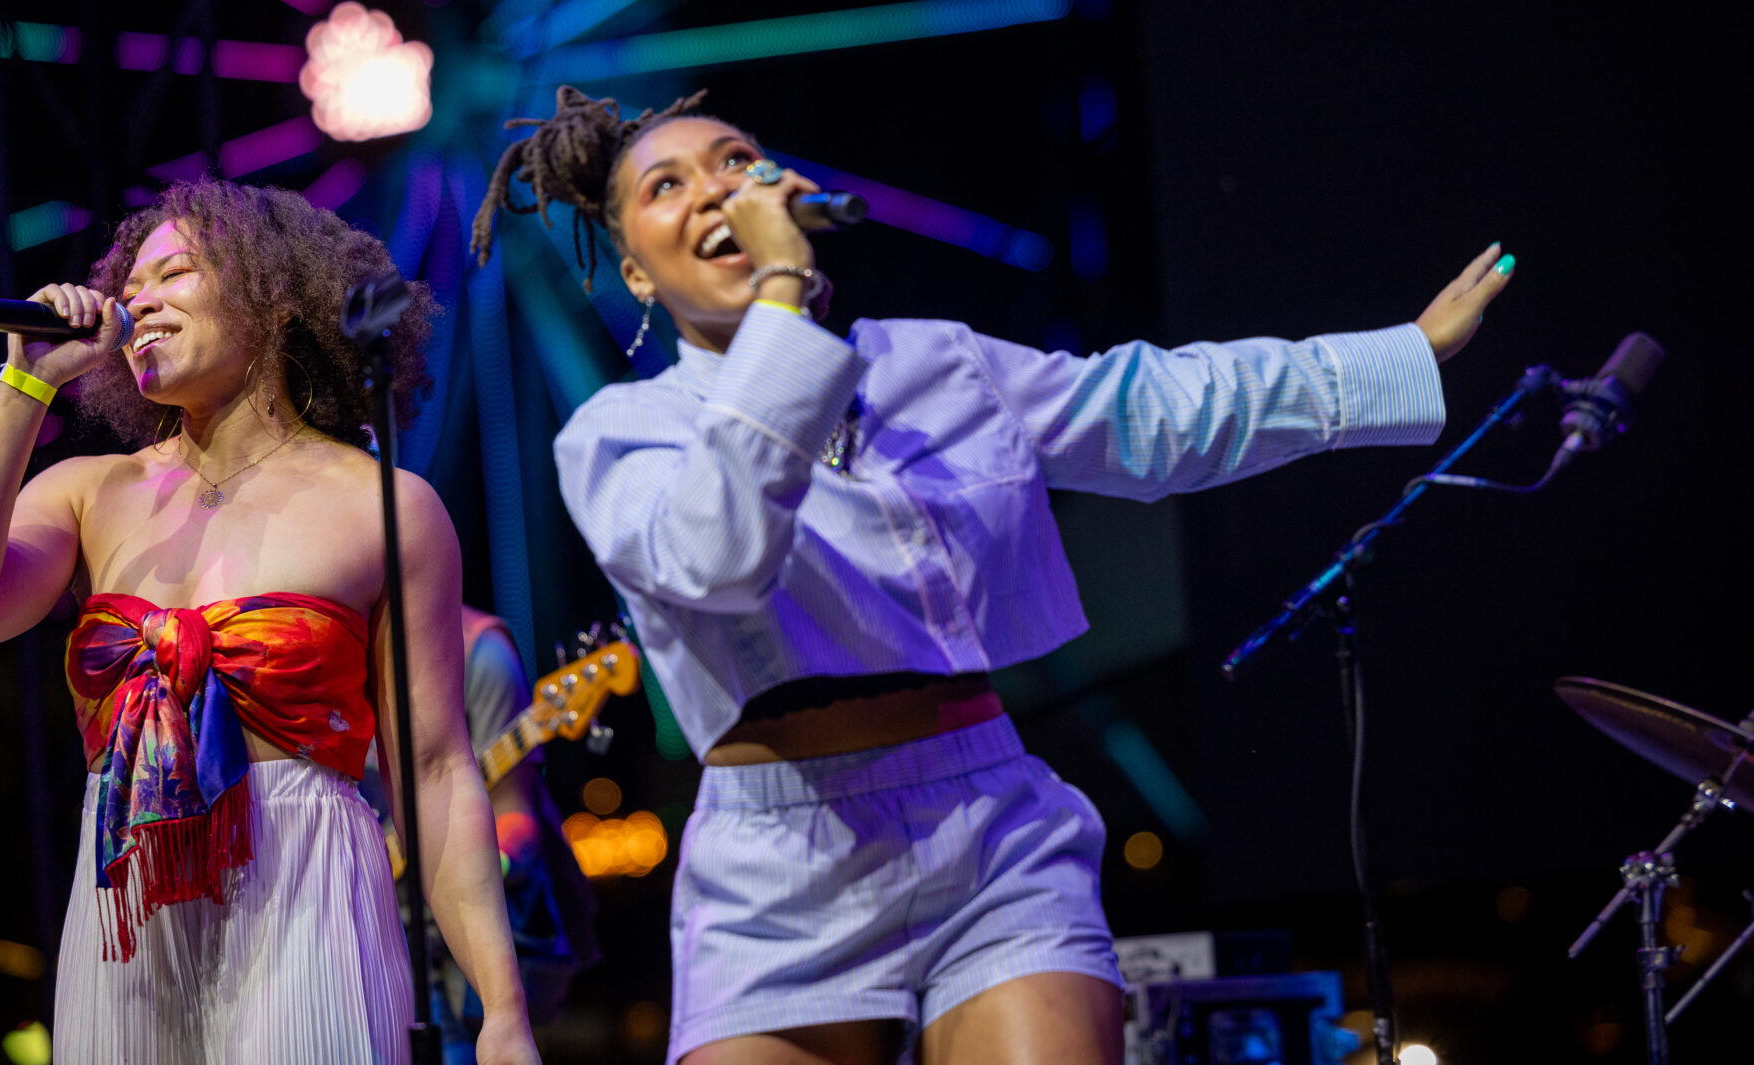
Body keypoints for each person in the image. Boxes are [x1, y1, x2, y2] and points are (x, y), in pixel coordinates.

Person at [470, 87, 1513, 1065]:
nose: (714, 188)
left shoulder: (934, 363)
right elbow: (720, 555)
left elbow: (1156, 410)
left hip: (989, 825)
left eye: (736, 161)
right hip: (775, 866)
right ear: (637, 274)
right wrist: (783, 301)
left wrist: (1399, 355)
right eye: (667, 185)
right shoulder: (623, 434)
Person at [0, 179, 540, 1065]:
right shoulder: (92, 494)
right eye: (130, 286)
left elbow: (433, 770)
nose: (138, 299)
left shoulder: (384, 505)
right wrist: (22, 386)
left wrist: (502, 1010)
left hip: (308, 898)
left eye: (175, 272)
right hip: (128, 914)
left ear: (276, 297)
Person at [361, 610, 600, 1062]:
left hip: (437, 952)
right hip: (348, 940)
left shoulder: (480, 654)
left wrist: (485, 865)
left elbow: (516, 819)